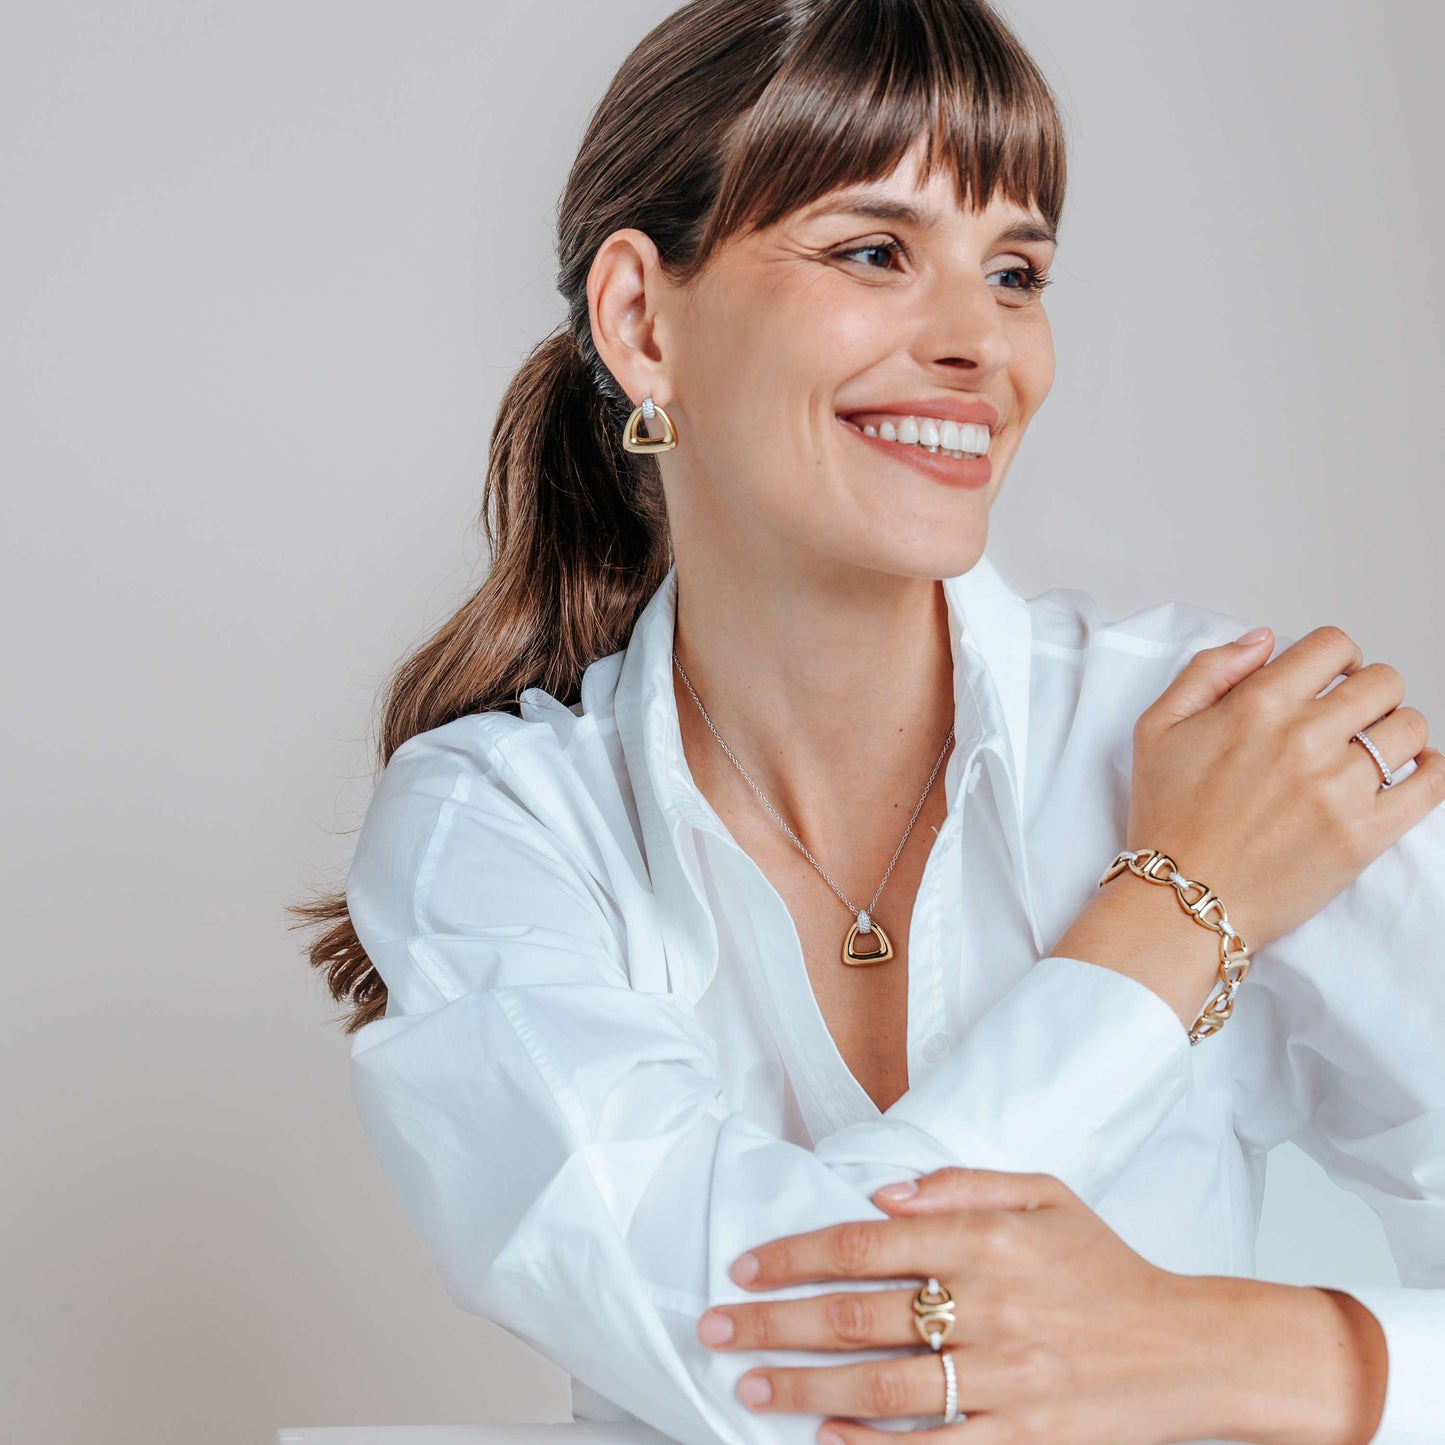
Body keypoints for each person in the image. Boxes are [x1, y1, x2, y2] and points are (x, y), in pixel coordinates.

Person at [289, 2, 1445, 1441]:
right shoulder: (502, 824)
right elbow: (769, 1370)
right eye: (874, 252)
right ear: (641, 320)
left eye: (1015, 272)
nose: (978, 343)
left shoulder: (1230, 740)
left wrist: (1230, 1353)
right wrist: (1176, 916)